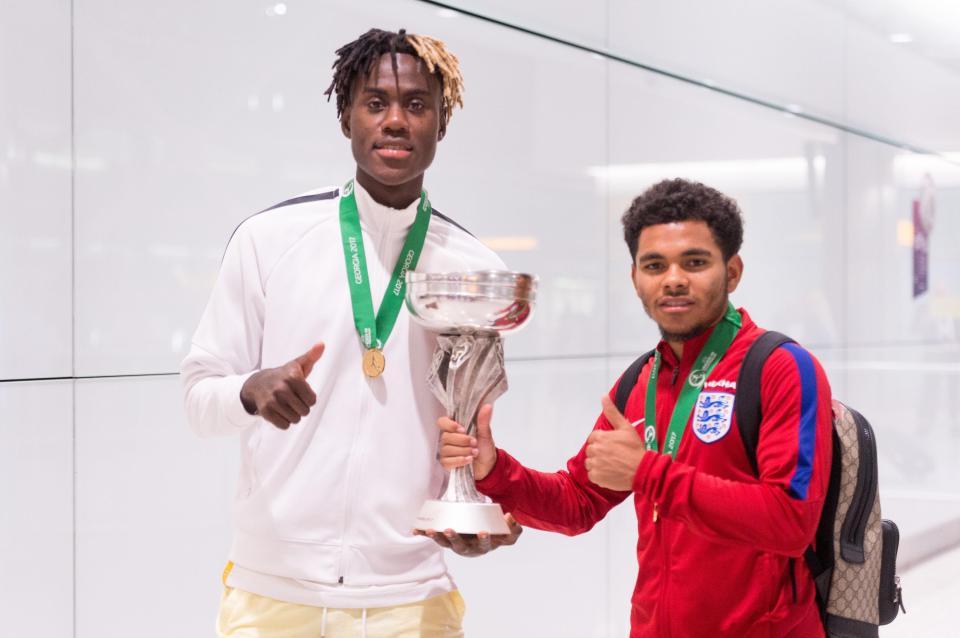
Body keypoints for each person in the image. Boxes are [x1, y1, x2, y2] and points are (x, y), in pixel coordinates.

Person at [181, 28, 520, 638]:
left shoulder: (474, 271)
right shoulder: (269, 240)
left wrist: (474, 510)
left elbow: (468, 438)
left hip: (411, 598)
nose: (395, 121)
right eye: (375, 102)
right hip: (272, 594)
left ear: (441, 124)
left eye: (417, 105)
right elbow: (198, 403)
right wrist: (248, 391)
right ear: (345, 117)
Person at [437, 178, 833, 637]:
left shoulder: (781, 369)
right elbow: (578, 502)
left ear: (733, 271)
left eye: (695, 262)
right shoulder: (640, 382)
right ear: (635, 279)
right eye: (654, 265)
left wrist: (648, 473)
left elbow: (790, 522)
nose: (674, 279)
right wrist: (493, 469)